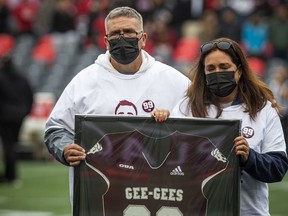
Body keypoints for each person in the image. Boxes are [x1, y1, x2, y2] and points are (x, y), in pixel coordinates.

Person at [44, 5, 189, 202]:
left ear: (143, 38)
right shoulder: (85, 81)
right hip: (99, 197)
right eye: (115, 33)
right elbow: (56, 128)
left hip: (157, 193)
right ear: (106, 41)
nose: (122, 38)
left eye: (129, 32)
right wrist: (66, 148)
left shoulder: (174, 81)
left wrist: (174, 124)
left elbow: (198, 128)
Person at [153, 37, 288, 215]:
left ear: (239, 71)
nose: (217, 72)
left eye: (224, 67)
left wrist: (249, 158)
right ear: (204, 73)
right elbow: (167, 161)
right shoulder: (187, 107)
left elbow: (278, 168)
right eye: (211, 68)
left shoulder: (262, 109)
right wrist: (162, 125)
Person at [0, 54, 34, 184]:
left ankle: (10, 175)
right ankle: (10, 174)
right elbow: (30, 96)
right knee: (12, 144)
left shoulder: (1, 77)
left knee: (8, 145)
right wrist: (25, 112)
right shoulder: (22, 77)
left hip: (4, 117)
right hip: (19, 116)